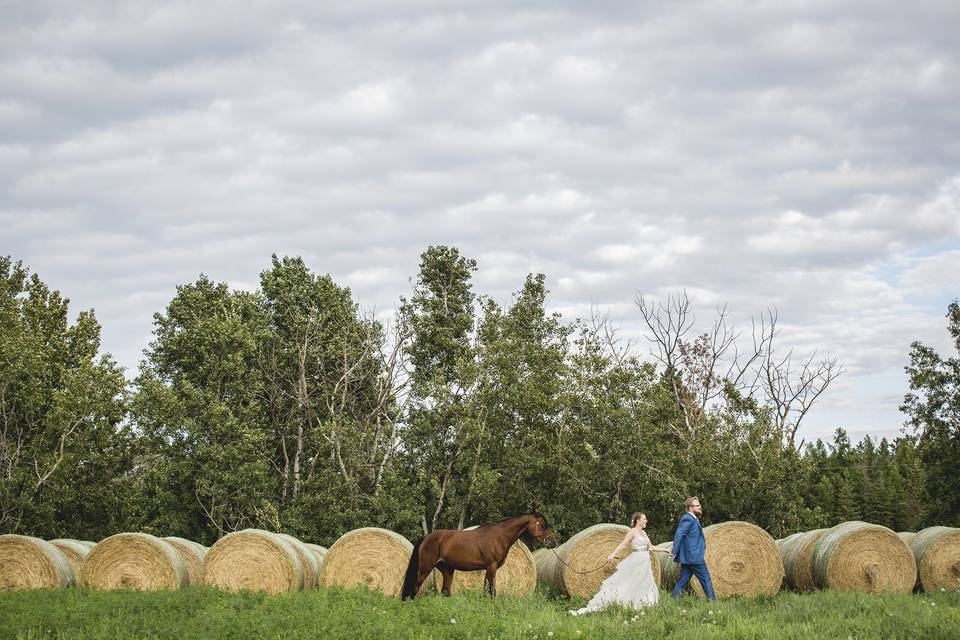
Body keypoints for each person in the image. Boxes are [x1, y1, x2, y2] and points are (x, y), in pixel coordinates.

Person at [569, 512, 672, 615]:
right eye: (644, 519)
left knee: (644, 583)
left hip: (645, 562)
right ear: (638, 520)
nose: (646, 521)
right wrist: (612, 554)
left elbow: (651, 547)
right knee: (630, 582)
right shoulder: (632, 532)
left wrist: (665, 550)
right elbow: (623, 544)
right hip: (636, 560)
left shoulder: (644, 534)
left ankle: (643, 603)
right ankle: (625, 602)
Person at [670, 496, 717, 601]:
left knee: (683, 580)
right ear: (690, 508)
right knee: (706, 579)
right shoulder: (688, 518)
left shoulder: (693, 519)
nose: (700, 507)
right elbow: (679, 534)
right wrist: (674, 549)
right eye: (697, 505)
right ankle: (713, 603)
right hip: (694, 556)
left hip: (689, 557)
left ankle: (673, 599)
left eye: (699, 505)